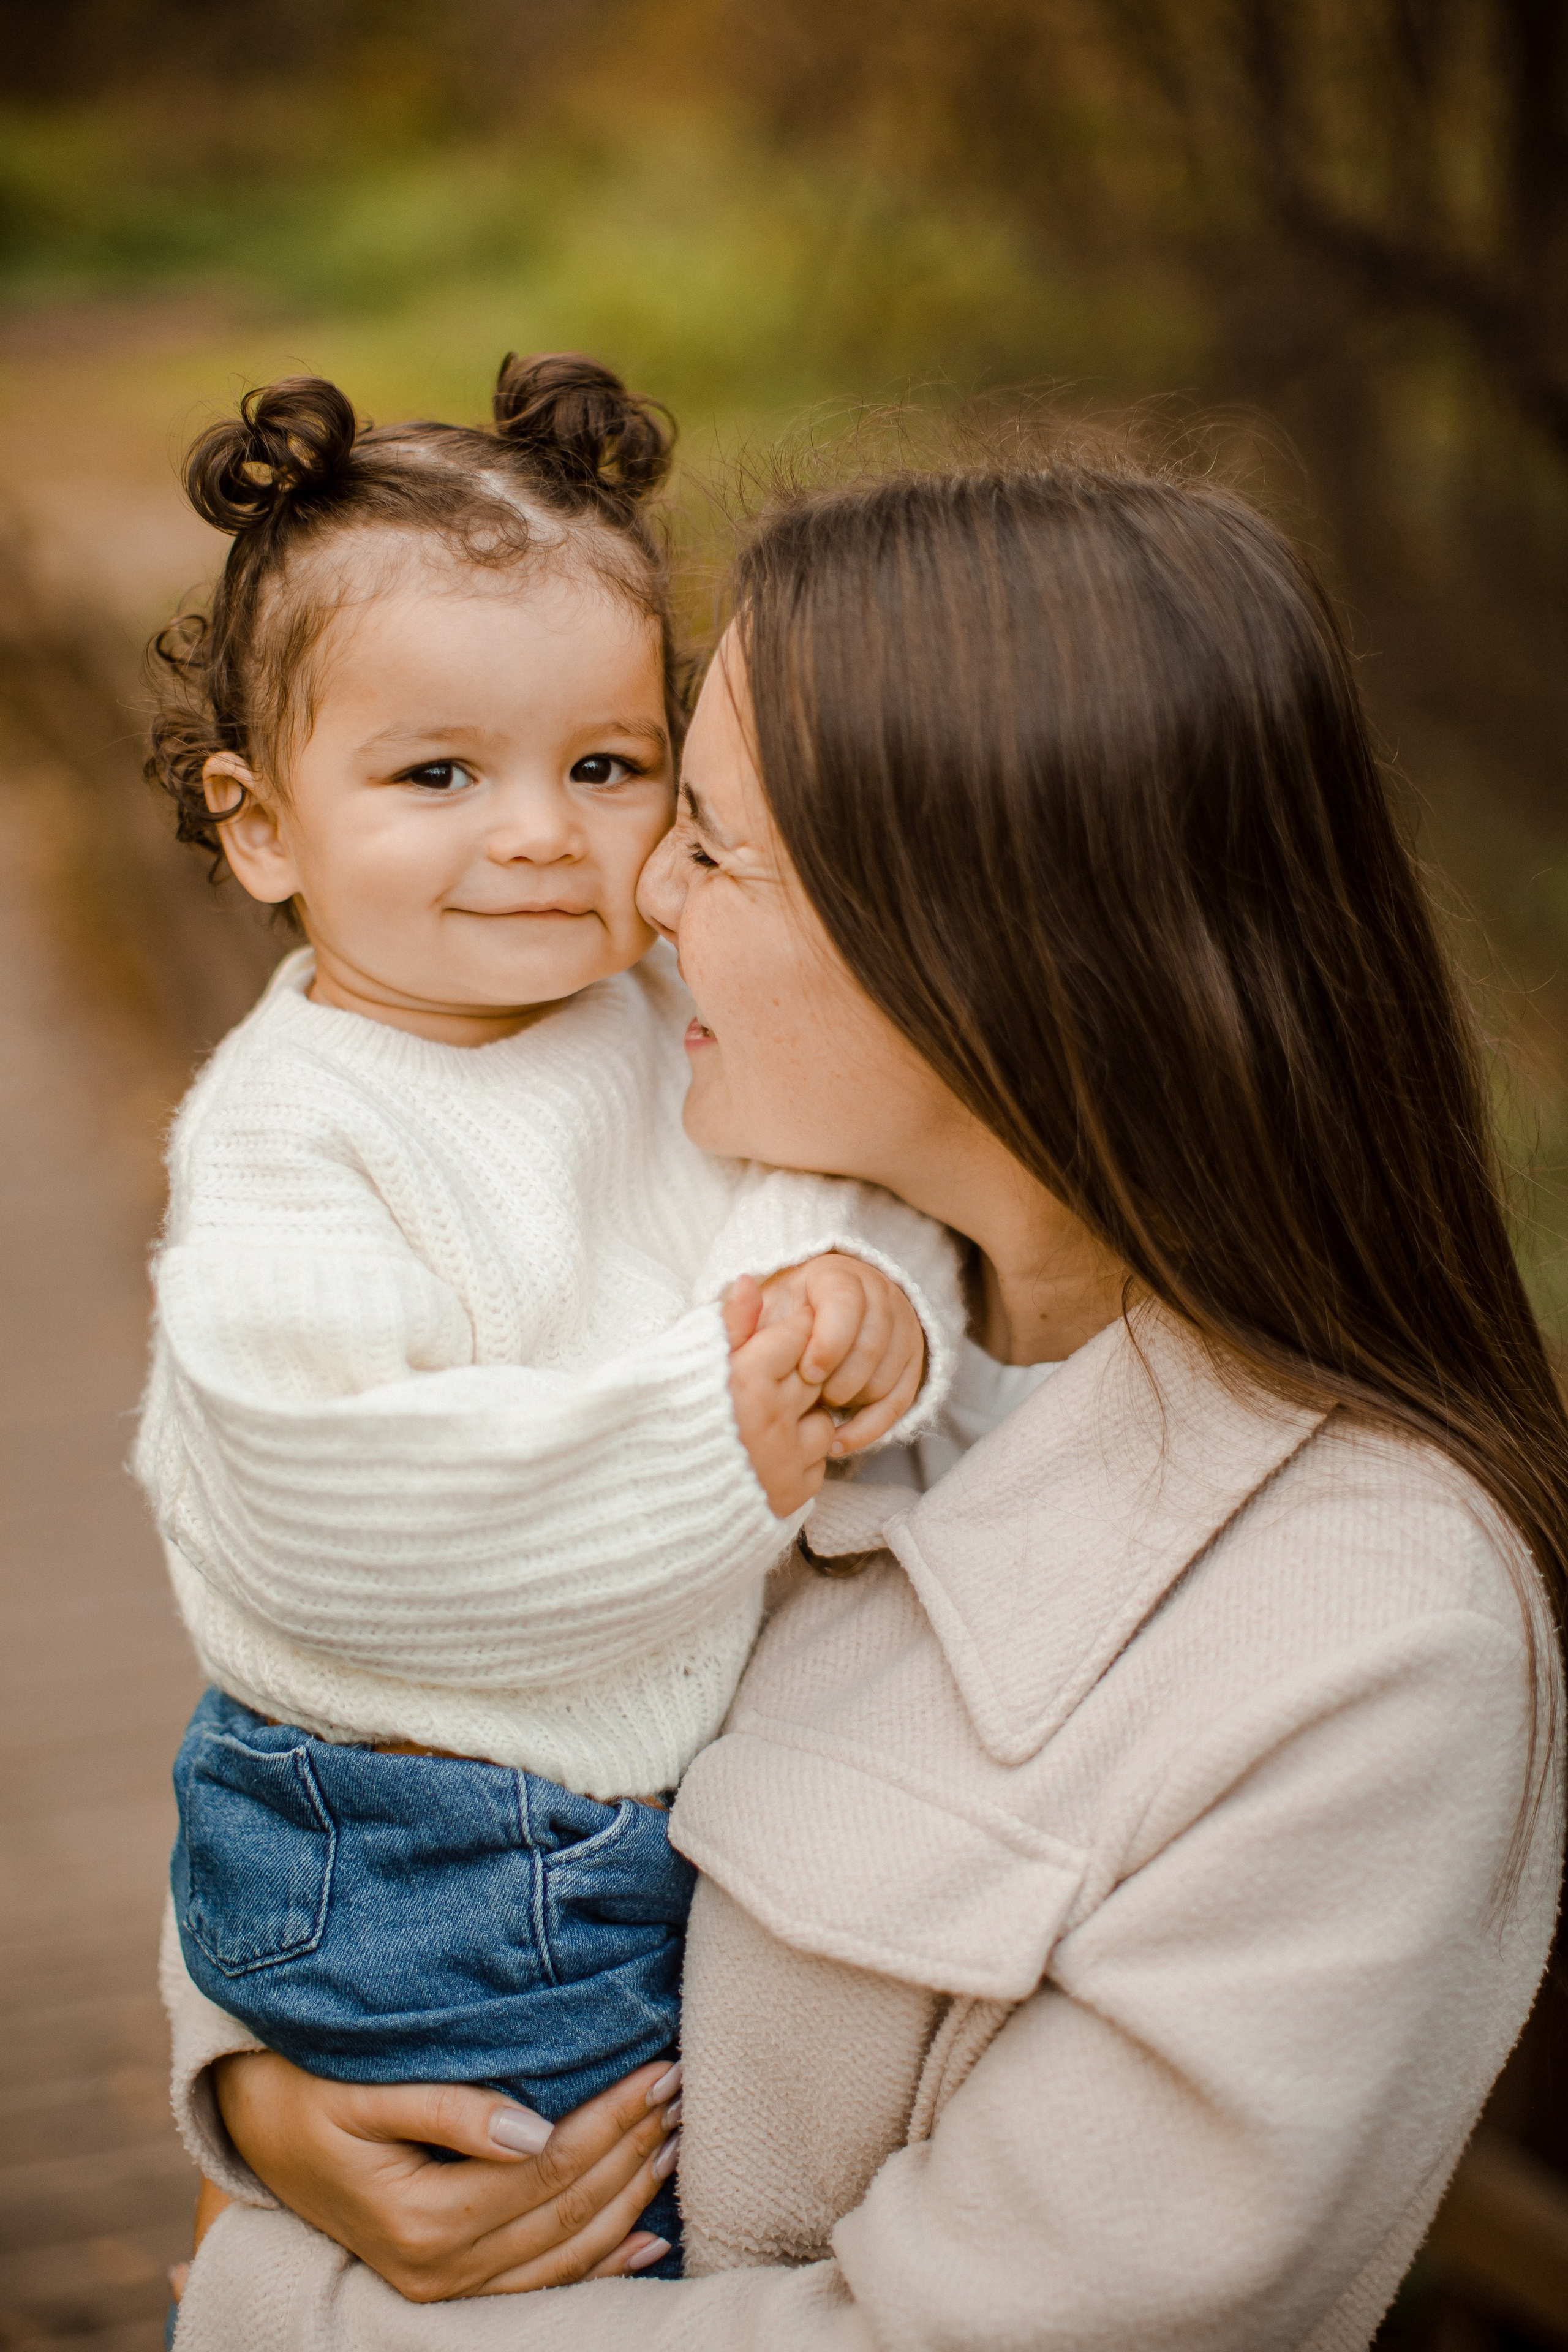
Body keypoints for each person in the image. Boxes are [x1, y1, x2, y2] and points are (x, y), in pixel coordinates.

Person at [164, 453, 1567, 2350]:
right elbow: (374, 1714)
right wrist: (261, 2097)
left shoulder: (1364, 1642)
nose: (634, 890)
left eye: (699, 833)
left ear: (987, 930)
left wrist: (274, 2299)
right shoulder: (738, 1285)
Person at [135, 356, 963, 2291]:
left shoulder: (651, 1004)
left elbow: (817, 1188)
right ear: (260, 828)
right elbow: (330, 1510)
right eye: (438, 776)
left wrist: (871, 1306)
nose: (536, 835)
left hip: (605, 1791)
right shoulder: (294, 1132)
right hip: (422, 1837)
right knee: (575, 2240)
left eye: (603, 768)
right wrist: (713, 1443)